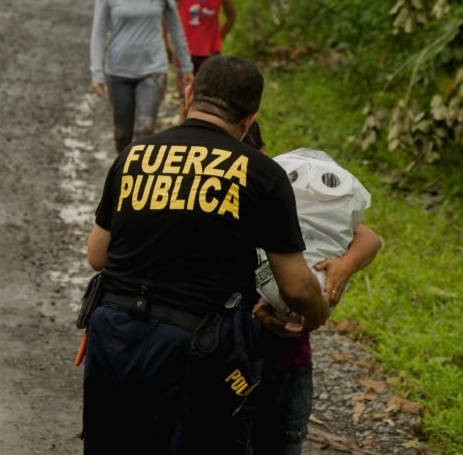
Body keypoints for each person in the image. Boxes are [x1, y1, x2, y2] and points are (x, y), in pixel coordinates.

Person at [81, 55, 329, 454]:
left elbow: (98, 255)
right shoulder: (261, 173)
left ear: (190, 94)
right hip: (195, 349)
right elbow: (297, 289)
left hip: (114, 336)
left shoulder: (134, 156)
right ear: (250, 118)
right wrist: (317, 315)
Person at [244, 121, 383, 455]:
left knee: (283, 440)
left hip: (288, 360)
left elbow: (370, 239)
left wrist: (345, 265)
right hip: (231, 356)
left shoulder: (281, 194)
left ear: (263, 156)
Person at [90, 0, 195, 153]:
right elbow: (99, 30)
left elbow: (175, 25)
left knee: (145, 130)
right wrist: (96, 73)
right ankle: (124, 181)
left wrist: (186, 65)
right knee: (122, 134)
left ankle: (140, 183)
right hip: (119, 71)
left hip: (152, 69)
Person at [167, 0, 236, 121]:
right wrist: (167, 42)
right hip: (185, 55)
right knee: (185, 102)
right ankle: (182, 140)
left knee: (208, 102)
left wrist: (218, 38)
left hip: (210, 55)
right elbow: (166, 15)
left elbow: (231, 17)